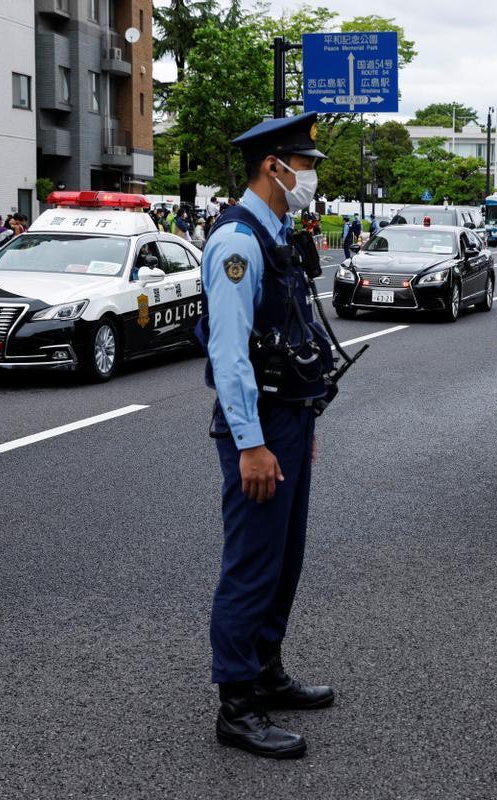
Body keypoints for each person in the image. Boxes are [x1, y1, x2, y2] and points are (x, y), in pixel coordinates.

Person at [198, 111, 335, 760]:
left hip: (290, 415)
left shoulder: (277, 232)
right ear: (273, 167)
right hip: (259, 426)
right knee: (252, 565)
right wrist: (251, 444)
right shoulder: (238, 242)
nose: (310, 176)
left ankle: (269, 669)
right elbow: (229, 356)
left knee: (285, 559)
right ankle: (238, 703)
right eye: (304, 165)